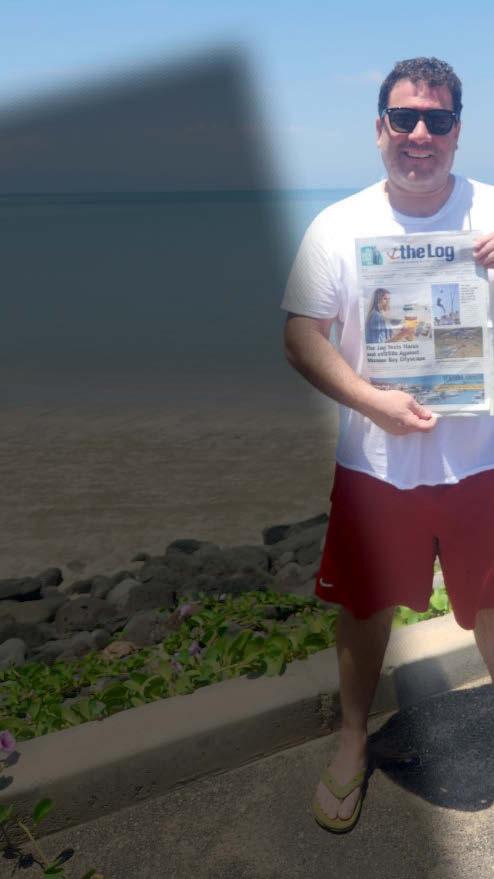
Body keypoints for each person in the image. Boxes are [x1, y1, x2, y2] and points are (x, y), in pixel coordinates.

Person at [281, 56, 494, 834]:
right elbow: (301, 336)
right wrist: (373, 401)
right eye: (404, 117)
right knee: (364, 606)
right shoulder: (336, 225)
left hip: (482, 460)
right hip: (375, 464)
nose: (419, 133)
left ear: (457, 131)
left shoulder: (492, 211)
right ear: (379, 128)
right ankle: (350, 740)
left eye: (437, 119)